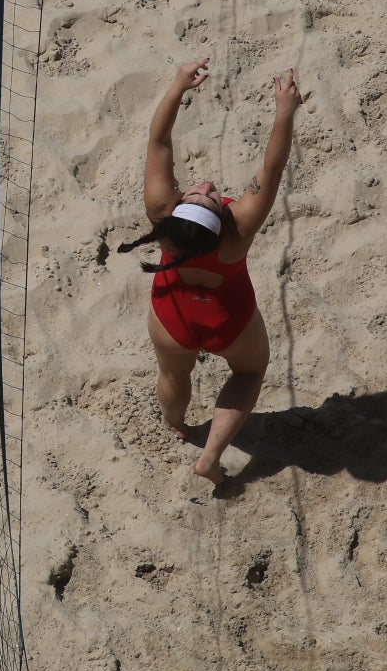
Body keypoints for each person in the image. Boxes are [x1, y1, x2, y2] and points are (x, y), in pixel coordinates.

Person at [117, 58, 300, 488]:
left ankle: (177, 425)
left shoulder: (163, 216)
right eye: (212, 196)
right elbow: (271, 171)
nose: (208, 186)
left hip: (173, 316)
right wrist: (285, 114)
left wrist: (179, 86)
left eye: (203, 192)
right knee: (249, 374)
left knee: (173, 374)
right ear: (223, 220)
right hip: (228, 320)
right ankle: (211, 456)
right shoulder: (236, 233)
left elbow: (159, 140)